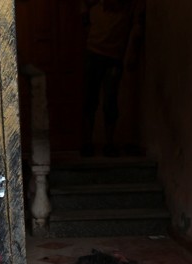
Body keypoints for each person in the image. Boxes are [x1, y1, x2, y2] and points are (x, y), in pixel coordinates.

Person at [80, 0, 143, 157]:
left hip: (114, 56)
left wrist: (132, 53)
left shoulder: (130, 5)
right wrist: (87, 24)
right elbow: (83, 6)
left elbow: (137, 25)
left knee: (110, 100)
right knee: (90, 99)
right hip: (94, 52)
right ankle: (88, 142)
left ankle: (109, 143)